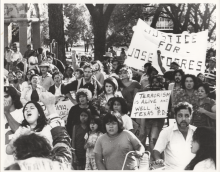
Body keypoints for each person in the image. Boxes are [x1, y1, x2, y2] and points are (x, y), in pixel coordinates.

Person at [5, 92, 72, 170]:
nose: (28, 110)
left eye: (32, 108)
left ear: (39, 113)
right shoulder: (21, 130)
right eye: (25, 109)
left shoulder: (49, 128)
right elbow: (8, 151)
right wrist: (18, 137)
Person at [153, 102, 196, 170]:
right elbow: (157, 151)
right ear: (175, 116)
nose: (183, 119)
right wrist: (158, 159)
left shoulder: (196, 131)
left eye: (187, 116)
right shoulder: (167, 132)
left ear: (191, 116)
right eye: (180, 116)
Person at [4, 86, 23, 168]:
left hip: (15, 162)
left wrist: (6, 112)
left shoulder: (22, 112)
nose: (2, 99)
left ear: (14, 98)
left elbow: (18, 130)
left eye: (6, 96)